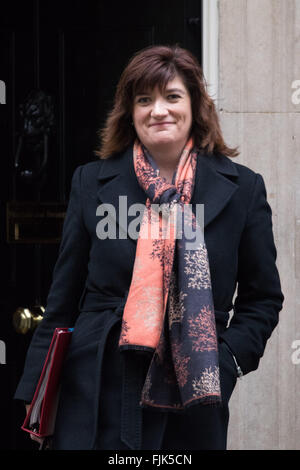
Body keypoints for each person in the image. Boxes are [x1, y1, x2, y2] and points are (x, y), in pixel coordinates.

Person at [14, 44, 284, 450]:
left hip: (191, 391)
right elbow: (63, 298)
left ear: (195, 106)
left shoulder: (243, 189)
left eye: (172, 97)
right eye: (144, 100)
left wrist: (225, 362)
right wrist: (36, 390)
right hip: (94, 384)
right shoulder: (91, 182)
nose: (159, 110)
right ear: (130, 111)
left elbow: (263, 299)